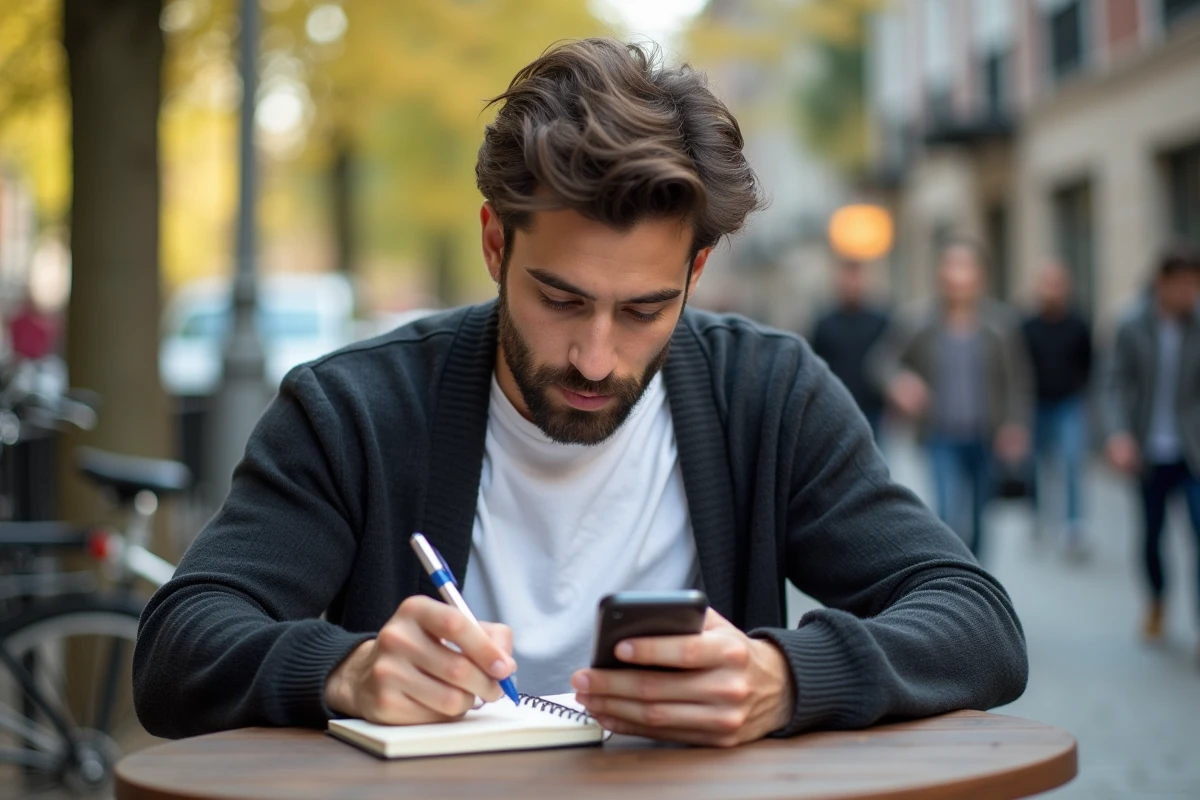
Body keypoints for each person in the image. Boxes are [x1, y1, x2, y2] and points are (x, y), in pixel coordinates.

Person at [133, 40, 1027, 746]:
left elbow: (977, 622)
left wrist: (788, 678)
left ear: (695, 273)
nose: (597, 359)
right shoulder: (352, 411)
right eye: (561, 300)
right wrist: (346, 671)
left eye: (644, 310)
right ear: (496, 245)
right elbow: (177, 647)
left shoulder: (769, 394)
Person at [869, 239, 1032, 559]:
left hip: (986, 435)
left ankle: (976, 574)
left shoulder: (1000, 326)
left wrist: (1016, 425)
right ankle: (953, 575)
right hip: (939, 434)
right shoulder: (919, 322)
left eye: (965, 266)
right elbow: (880, 362)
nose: (957, 274)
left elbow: (1017, 380)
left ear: (980, 275)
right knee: (947, 513)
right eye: (950, 265)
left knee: (980, 517)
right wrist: (900, 382)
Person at [1100, 246, 1200, 647]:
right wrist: (1118, 434)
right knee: (1152, 535)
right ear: (1163, 283)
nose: (1190, 293)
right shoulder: (1131, 325)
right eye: (1184, 284)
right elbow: (1112, 384)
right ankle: (1157, 598)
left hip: (1193, 450)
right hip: (1147, 450)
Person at [1021, 261, 1093, 556]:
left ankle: (1073, 524)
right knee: (1035, 465)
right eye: (1047, 284)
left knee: (1072, 463)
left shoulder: (1078, 324)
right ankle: (1038, 516)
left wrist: (1081, 393)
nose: (1052, 290)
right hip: (1035, 405)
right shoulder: (1027, 326)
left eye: (1057, 284)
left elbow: (1089, 363)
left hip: (1068, 404)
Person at [810, 258, 890, 438]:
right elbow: (816, 365)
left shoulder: (880, 321)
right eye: (847, 277)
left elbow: (887, 363)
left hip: (873, 410)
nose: (851, 284)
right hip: (836, 408)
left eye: (856, 277)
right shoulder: (825, 324)